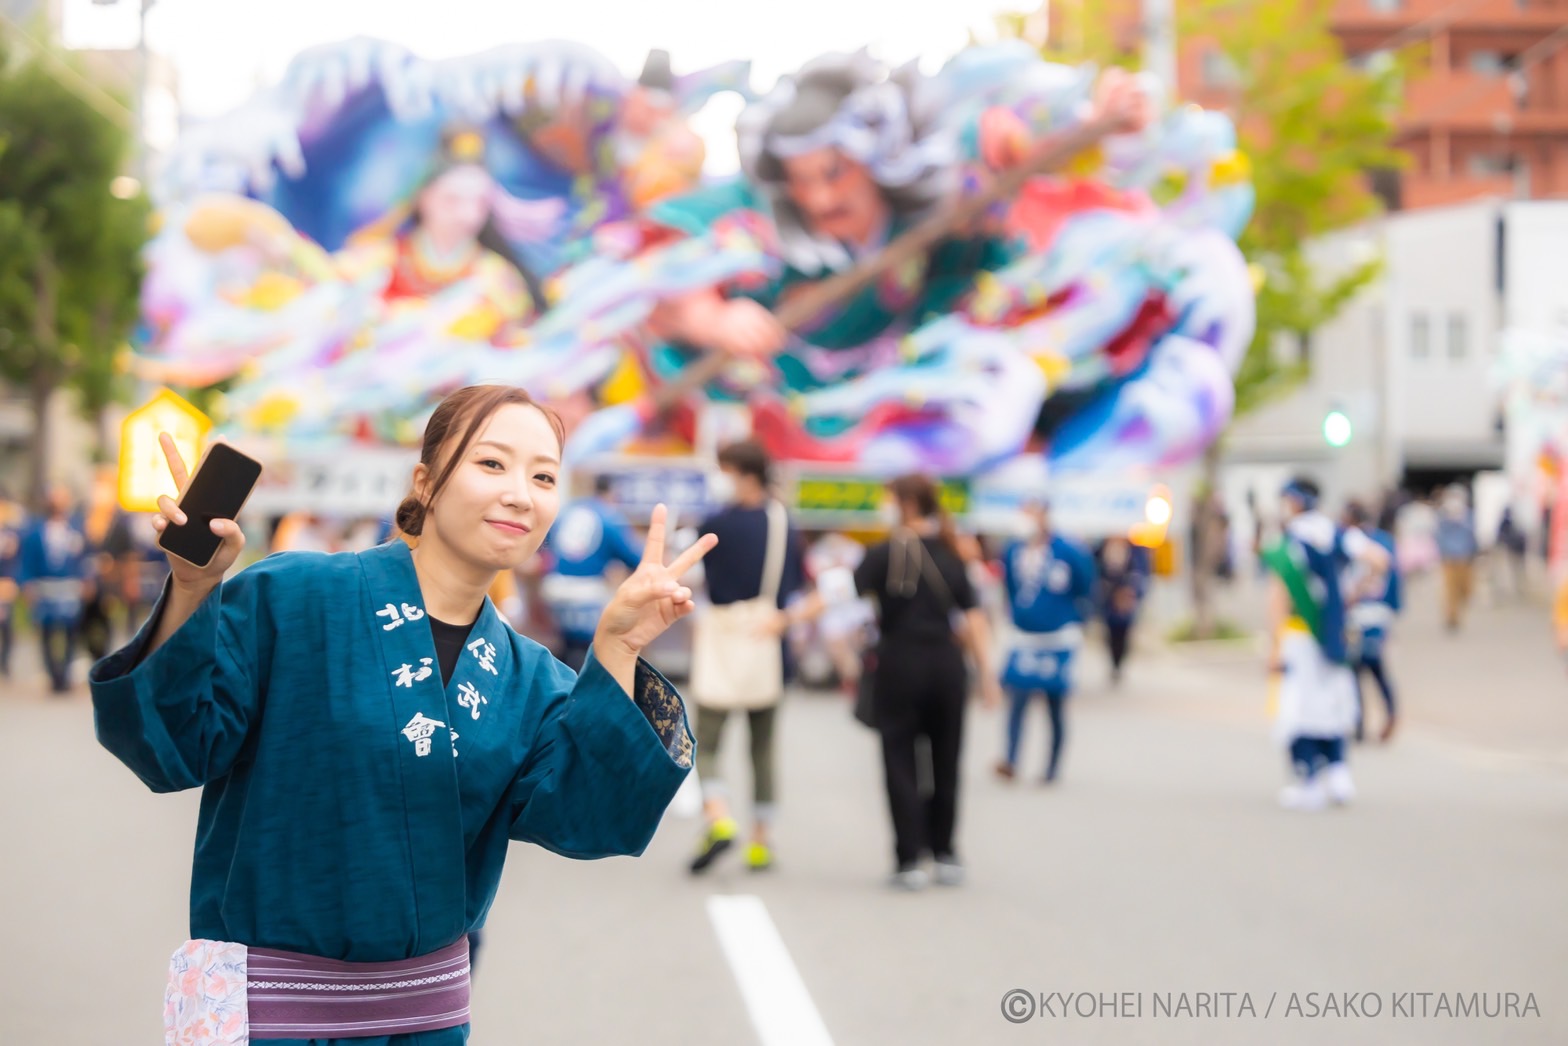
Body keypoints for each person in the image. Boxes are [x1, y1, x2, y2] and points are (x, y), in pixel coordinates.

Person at [90, 384, 713, 1045]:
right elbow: (171, 746)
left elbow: (593, 818)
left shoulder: (531, 681)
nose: (520, 494)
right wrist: (193, 586)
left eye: (543, 477)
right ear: (426, 482)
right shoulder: (294, 596)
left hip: (424, 1026)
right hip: (272, 1022)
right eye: (492, 463)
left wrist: (616, 649)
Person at [851, 475, 1000, 888]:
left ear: (908, 504)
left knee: (900, 760)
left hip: (898, 663)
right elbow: (973, 617)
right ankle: (945, 852)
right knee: (946, 759)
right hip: (946, 666)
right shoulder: (953, 553)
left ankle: (909, 859)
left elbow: (845, 597)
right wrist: (987, 675)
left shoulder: (882, 554)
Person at [686, 439, 804, 875]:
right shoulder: (784, 523)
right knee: (763, 748)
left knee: (705, 742)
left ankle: (718, 816)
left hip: (722, 639)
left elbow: (695, 575)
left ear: (742, 474)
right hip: (767, 642)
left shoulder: (715, 524)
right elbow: (796, 584)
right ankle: (761, 842)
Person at [1263, 478, 1389, 811]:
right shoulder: (1339, 533)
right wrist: (1352, 593)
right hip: (1335, 632)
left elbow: (1278, 596)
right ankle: (1338, 772)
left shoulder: (1287, 541)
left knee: (1298, 707)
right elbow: (1379, 560)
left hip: (1300, 633)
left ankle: (1307, 778)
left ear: (1293, 501)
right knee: (1335, 702)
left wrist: (1274, 645)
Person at [994, 500, 1097, 784]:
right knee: (1017, 699)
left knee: (1055, 705)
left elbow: (1085, 585)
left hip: (1058, 638)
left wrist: (1077, 618)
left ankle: (1052, 767)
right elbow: (1009, 588)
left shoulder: (1068, 551)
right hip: (1024, 636)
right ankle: (1011, 760)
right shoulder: (1012, 550)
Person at [541, 474, 645, 671]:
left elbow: (544, 546)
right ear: (612, 493)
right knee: (593, 646)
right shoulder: (609, 517)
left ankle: (563, 672)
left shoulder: (568, 510)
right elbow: (635, 559)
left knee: (567, 645)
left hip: (553, 587)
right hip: (588, 593)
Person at [19, 485, 91, 694]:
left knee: (71, 631)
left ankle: (65, 674)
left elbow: (86, 558)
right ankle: (53, 675)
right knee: (46, 631)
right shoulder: (35, 531)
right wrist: (27, 584)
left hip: (69, 586)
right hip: (45, 586)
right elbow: (27, 560)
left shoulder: (76, 529)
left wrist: (87, 580)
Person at [1342, 501, 1401, 743]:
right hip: (1378, 613)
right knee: (1376, 667)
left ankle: (1359, 722)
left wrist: (1354, 593)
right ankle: (1388, 714)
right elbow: (1396, 578)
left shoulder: (1351, 541)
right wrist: (1394, 607)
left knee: (1358, 667)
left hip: (1360, 612)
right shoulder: (1384, 540)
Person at [1096, 535, 1150, 685]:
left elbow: (1143, 574)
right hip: (1109, 600)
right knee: (1110, 634)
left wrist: (1133, 593)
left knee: (1124, 634)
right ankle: (1114, 663)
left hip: (1127, 600)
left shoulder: (1136, 551)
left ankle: (1119, 664)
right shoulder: (1101, 548)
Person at [1435, 485, 1479, 631]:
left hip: (1466, 557)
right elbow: (1439, 536)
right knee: (1450, 589)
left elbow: (1474, 534)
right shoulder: (1443, 516)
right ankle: (1452, 616)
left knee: (1465, 589)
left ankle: (1459, 611)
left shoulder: (1469, 515)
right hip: (1449, 557)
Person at [0, 493, 22, 679]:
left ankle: (4, 662)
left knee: (6, 626)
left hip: (6, 584)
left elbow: (17, 561)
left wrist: (12, 580)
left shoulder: (11, 534)